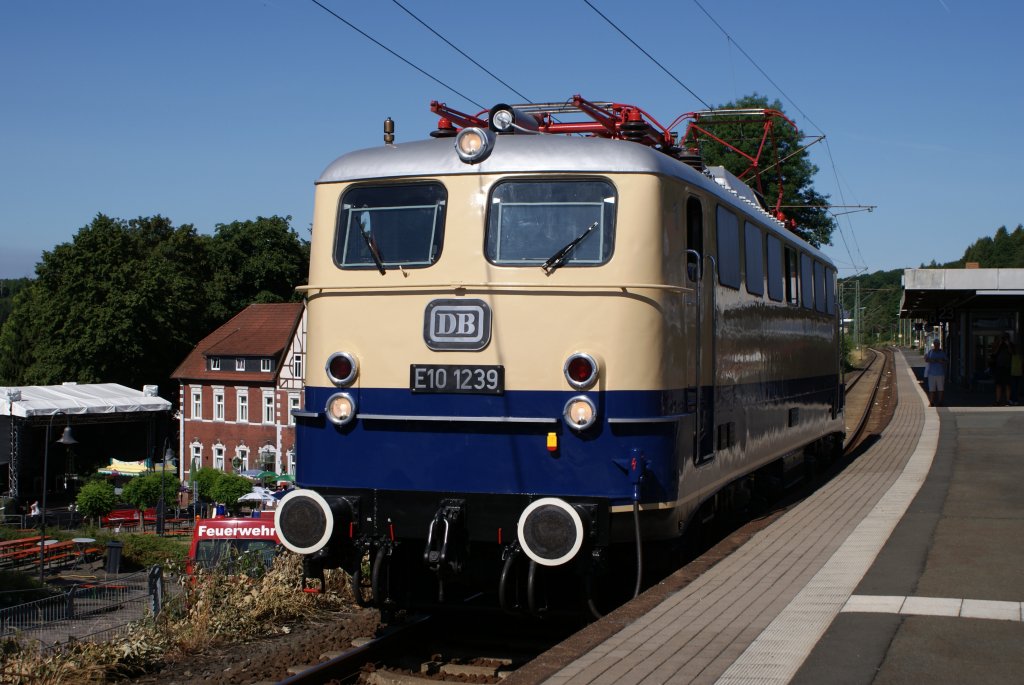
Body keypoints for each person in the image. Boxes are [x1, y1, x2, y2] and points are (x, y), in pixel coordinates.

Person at [923, 339, 948, 407]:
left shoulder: (942, 353)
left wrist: (941, 361)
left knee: (940, 389)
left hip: (940, 373)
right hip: (931, 374)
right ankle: (931, 402)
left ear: (939, 345)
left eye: (937, 344)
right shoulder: (930, 352)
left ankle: (940, 402)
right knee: (931, 389)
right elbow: (926, 359)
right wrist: (932, 360)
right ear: (934, 344)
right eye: (935, 344)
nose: (936, 345)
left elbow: (946, 361)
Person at [991, 334, 1014, 406]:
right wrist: (999, 344)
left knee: (1008, 384)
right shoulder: (998, 344)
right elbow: (994, 353)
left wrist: (1008, 344)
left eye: (1005, 338)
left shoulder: (1010, 345)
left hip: (1007, 367)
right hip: (999, 367)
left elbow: (1012, 353)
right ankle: (997, 401)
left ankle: (1008, 401)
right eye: (1003, 338)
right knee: (998, 384)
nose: (1004, 340)